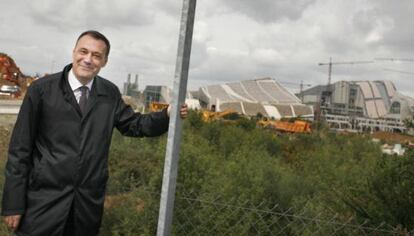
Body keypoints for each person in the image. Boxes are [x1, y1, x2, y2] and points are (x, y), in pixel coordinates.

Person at [1, 30, 188, 236]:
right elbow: (20, 148)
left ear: (104, 62)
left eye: (96, 55)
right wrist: (13, 205)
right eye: (84, 51)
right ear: (74, 52)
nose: (88, 59)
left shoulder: (109, 93)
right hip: (42, 203)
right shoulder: (42, 90)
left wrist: (167, 114)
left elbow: (134, 125)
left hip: (86, 207)